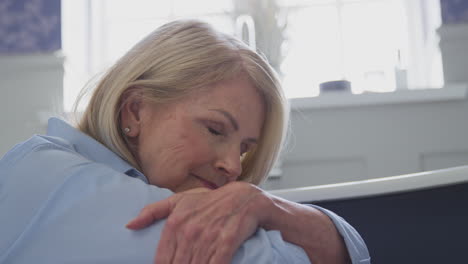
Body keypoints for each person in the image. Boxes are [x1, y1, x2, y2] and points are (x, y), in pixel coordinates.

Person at [0, 20, 370, 263]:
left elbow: (352, 250)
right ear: (135, 112)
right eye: (214, 129)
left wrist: (268, 207)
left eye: (245, 147)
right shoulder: (59, 179)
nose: (236, 167)